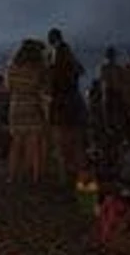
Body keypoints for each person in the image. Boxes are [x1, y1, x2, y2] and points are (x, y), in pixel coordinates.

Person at [5, 39, 49, 185]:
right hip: (32, 105)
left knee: (16, 143)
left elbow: (8, 87)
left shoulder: (12, 67)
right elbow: (43, 87)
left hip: (16, 106)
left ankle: (12, 176)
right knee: (34, 143)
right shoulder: (38, 68)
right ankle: (35, 177)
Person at [46, 29, 85, 181]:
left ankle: (65, 175)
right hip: (74, 102)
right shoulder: (71, 59)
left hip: (60, 104)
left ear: (51, 40)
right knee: (76, 141)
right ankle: (79, 173)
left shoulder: (54, 61)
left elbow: (50, 84)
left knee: (61, 142)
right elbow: (81, 71)